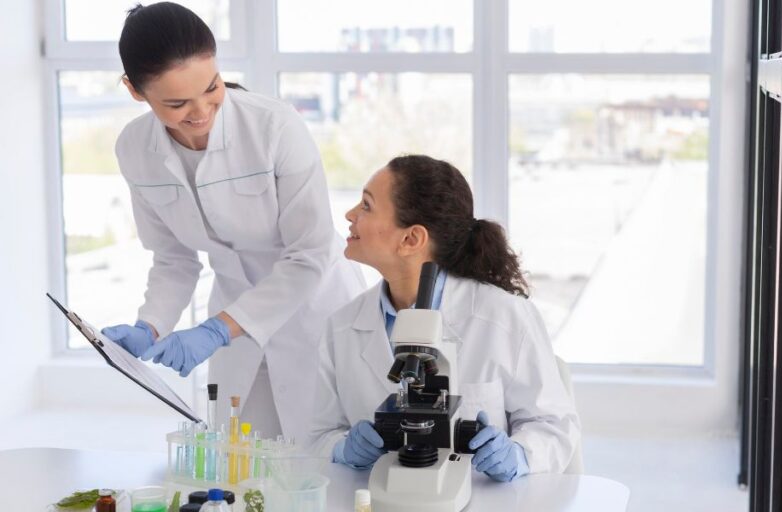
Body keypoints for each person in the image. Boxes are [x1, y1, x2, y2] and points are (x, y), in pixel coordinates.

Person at [99, 2, 366, 440]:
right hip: (233, 320)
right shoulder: (134, 148)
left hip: (313, 309)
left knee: (320, 462)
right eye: (177, 103)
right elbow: (173, 259)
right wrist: (150, 325)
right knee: (237, 461)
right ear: (135, 91)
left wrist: (217, 329)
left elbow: (310, 252)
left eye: (212, 87)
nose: (201, 111)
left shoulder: (275, 128)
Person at [308, 155, 580, 482]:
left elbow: (554, 426)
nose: (350, 214)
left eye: (366, 206)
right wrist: (342, 449)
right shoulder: (342, 327)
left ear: (411, 239)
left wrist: (519, 454)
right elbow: (318, 434)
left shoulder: (503, 317)